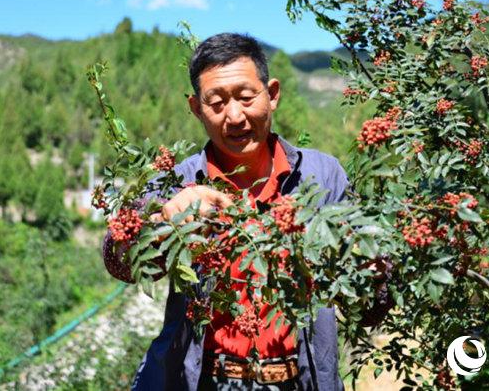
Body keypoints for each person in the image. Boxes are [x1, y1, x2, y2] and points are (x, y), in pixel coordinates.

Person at [103, 33, 356, 390]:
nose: (234, 116)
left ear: (273, 94)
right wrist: (162, 221)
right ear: (196, 108)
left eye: (246, 96)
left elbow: (370, 281)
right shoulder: (178, 182)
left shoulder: (322, 176)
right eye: (217, 102)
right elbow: (119, 261)